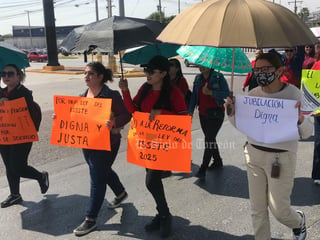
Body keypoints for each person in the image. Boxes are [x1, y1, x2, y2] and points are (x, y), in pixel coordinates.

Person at [226, 53, 312, 240]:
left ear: (280, 70)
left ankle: (297, 222)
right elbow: (242, 125)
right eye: (257, 70)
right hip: (253, 155)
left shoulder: (294, 94)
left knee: (279, 210)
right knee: (257, 210)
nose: (260, 74)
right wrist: (231, 112)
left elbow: (308, 132)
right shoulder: (254, 94)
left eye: (265, 69)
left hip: (281, 159)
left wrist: (300, 120)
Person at [119, 55, 188, 238]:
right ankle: (162, 214)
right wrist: (125, 91)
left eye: (151, 71)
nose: (147, 74)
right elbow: (134, 110)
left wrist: (162, 113)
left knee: (151, 181)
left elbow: (183, 119)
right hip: (146, 144)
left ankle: (165, 216)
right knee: (153, 181)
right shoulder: (144, 89)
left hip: (164, 146)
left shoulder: (173, 93)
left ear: (163, 73)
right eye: (146, 70)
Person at [72, 62, 131, 236]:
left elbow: (126, 114)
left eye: (90, 73)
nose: (86, 76)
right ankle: (120, 193)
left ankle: (90, 219)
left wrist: (114, 123)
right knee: (100, 170)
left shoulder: (111, 95)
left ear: (100, 77)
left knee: (97, 178)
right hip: (88, 142)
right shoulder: (83, 96)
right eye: (85, 73)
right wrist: (60, 117)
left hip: (108, 143)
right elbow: (75, 117)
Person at [0, 64, 49, 208]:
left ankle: (40, 176)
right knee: (9, 165)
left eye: (10, 74)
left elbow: (25, 110)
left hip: (22, 135)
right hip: (5, 135)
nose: (6, 76)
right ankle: (15, 194)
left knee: (18, 166)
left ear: (18, 76)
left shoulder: (24, 93)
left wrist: (9, 104)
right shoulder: (1, 92)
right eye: (3, 73)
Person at [188, 65, 230, 180]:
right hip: (203, 113)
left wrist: (211, 92)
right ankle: (217, 161)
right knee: (210, 138)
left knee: (209, 139)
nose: (201, 67)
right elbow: (194, 97)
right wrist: (190, 111)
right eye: (199, 64)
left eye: (204, 64)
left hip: (216, 113)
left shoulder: (218, 77)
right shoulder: (198, 78)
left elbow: (226, 93)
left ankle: (203, 168)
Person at [311, 45, 320, 185]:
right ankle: (318, 173)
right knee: (319, 142)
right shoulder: (316, 66)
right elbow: (310, 86)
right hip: (319, 112)